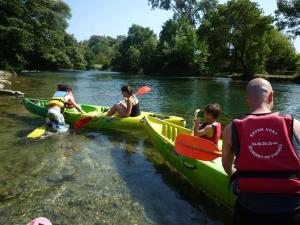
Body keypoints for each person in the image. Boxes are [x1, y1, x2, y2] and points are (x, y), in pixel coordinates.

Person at [222, 78, 300, 225]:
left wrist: (233, 175)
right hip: (292, 209)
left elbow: (226, 165)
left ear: (246, 99)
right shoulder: (295, 125)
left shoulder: (231, 128)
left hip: (249, 207)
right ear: (271, 96)